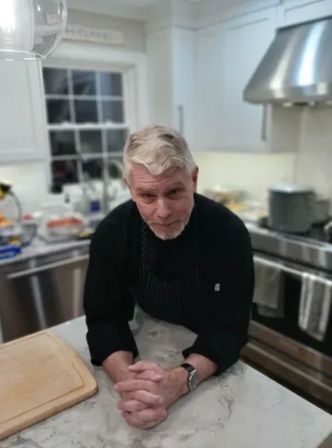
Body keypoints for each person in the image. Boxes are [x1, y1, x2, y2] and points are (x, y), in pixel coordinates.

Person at [84, 125, 254, 429]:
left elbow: (230, 327)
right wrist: (132, 385)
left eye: (174, 192)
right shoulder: (113, 233)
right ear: (129, 187)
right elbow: (104, 317)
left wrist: (178, 382)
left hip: (206, 343)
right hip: (152, 332)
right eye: (147, 195)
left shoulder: (227, 232)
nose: (162, 211)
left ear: (194, 178)